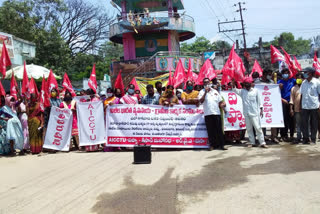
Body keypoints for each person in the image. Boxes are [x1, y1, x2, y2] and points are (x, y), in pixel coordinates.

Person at [233, 77, 268, 148]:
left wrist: (261, 109)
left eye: (248, 83)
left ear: (250, 83)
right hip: (246, 113)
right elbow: (234, 90)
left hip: (255, 113)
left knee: (258, 128)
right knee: (249, 129)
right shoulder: (242, 91)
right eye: (245, 83)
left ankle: (262, 142)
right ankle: (252, 142)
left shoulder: (255, 91)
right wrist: (233, 82)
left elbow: (259, 101)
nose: (247, 84)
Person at [198, 78, 227, 150]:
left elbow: (220, 102)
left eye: (208, 82)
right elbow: (201, 101)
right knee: (210, 130)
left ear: (210, 83)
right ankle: (212, 145)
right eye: (205, 82)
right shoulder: (201, 92)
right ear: (203, 84)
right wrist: (205, 92)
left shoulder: (215, 91)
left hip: (216, 113)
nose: (206, 84)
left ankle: (222, 145)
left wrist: (223, 106)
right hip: (208, 114)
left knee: (219, 130)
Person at [255, 69, 279, 143]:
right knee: (261, 120)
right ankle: (262, 137)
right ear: (264, 74)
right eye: (269, 74)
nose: (270, 76)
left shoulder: (271, 82)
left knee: (273, 119)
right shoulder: (257, 82)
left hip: (270, 103)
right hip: (261, 104)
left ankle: (274, 136)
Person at [300, 67, 320, 144]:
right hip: (305, 106)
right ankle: (305, 138)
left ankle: (313, 139)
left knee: (314, 123)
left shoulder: (317, 82)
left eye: (306, 72)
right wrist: (300, 105)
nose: (304, 74)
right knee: (304, 123)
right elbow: (301, 94)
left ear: (311, 73)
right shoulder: (303, 83)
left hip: (314, 105)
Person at [278, 68, 296, 141]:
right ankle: (284, 135)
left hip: (292, 102)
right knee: (284, 119)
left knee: (292, 119)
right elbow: (275, 93)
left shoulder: (293, 81)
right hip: (283, 102)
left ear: (289, 74)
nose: (286, 74)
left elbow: (300, 81)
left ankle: (291, 135)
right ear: (282, 75)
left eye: (287, 73)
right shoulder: (279, 82)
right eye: (284, 73)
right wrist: (282, 99)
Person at [289, 73, 303, 144]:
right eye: (297, 78)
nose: (299, 79)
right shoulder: (293, 88)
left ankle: (306, 137)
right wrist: (291, 109)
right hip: (297, 109)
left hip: (305, 109)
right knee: (298, 124)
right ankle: (298, 137)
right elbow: (292, 99)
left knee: (306, 123)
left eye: (300, 78)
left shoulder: (305, 87)